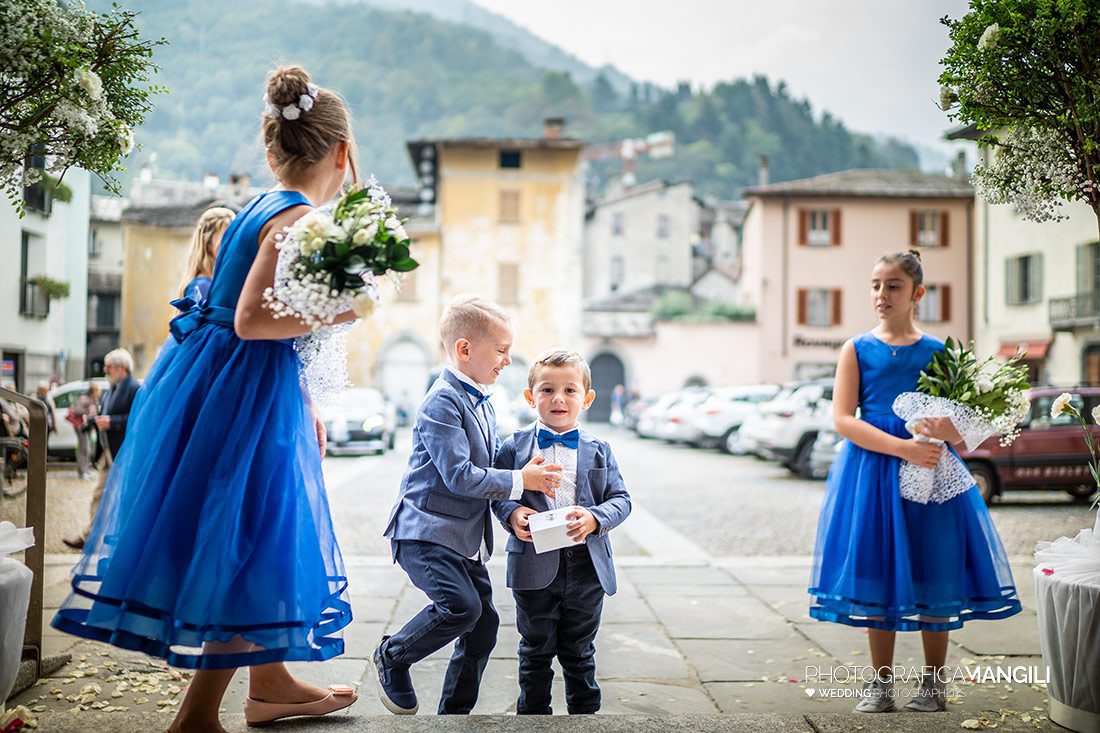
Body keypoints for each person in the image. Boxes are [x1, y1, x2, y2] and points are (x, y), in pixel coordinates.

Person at [52, 65, 361, 733]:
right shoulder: (297, 218)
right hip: (246, 386)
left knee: (250, 531)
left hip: (216, 379)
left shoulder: (257, 205)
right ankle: (196, 717)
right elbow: (253, 318)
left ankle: (271, 683)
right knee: (244, 537)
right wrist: (335, 312)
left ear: (273, 149)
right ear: (340, 153)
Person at [808, 250, 1021, 713]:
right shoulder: (857, 349)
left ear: (918, 293)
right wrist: (901, 447)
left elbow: (960, 421)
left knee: (934, 568)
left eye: (894, 285)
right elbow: (844, 419)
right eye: (876, 285)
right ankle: (880, 684)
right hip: (872, 472)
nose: (882, 294)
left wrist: (949, 430)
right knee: (876, 569)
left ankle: (933, 684)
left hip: (929, 473)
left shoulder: (939, 352)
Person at [374, 295, 562, 716]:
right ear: (464, 349)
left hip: (462, 539)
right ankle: (394, 654)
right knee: (462, 607)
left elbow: (490, 475)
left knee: (484, 626)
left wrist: (513, 510)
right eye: (501, 351)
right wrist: (521, 480)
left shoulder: (482, 400)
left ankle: (453, 715)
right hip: (425, 533)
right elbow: (459, 475)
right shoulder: (442, 400)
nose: (507, 361)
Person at [492, 348, 631, 715]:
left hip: (587, 567)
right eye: (547, 389)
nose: (558, 398)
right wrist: (512, 513)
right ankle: (533, 719)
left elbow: (621, 500)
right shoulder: (513, 446)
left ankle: (585, 719)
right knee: (534, 652)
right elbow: (497, 495)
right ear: (529, 396)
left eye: (570, 390)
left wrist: (596, 518)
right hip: (533, 567)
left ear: (586, 399)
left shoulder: (600, 449)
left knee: (580, 652)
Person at [63, 350, 139, 549]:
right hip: (107, 452)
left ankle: (114, 537)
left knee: (122, 495)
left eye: (109, 367)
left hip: (122, 452)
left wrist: (112, 422)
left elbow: (139, 419)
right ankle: (90, 537)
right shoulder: (112, 387)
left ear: (122, 368)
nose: (105, 370)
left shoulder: (133, 388)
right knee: (100, 494)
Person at [176, 206, 236, 305]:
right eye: (225, 238)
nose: (232, 243)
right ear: (207, 244)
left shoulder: (217, 284)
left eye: (234, 237)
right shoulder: (202, 286)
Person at [70, 383, 100, 480]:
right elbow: (77, 410)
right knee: (84, 448)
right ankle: (82, 471)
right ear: (93, 391)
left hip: (89, 427)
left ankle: (85, 470)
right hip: (81, 427)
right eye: (97, 390)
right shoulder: (85, 398)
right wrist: (88, 410)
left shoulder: (94, 399)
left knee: (88, 448)